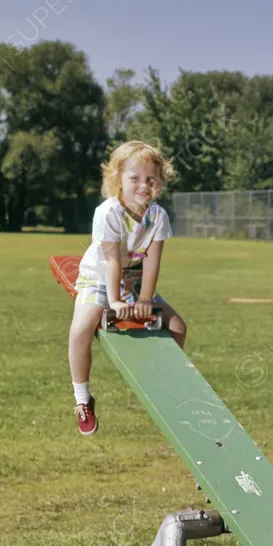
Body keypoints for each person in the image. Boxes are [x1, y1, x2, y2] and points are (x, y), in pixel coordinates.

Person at [68, 141, 187, 435]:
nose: (143, 185)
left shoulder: (157, 216)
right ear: (117, 179)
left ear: (160, 183)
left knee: (178, 327)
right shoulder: (107, 212)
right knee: (81, 329)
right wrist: (116, 300)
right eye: (135, 178)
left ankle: (161, 388)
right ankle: (82, 399)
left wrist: (145, 297)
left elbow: (152, 263)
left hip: (133, 278)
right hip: (99, 275)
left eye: (151, 179)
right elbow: (110, 262)